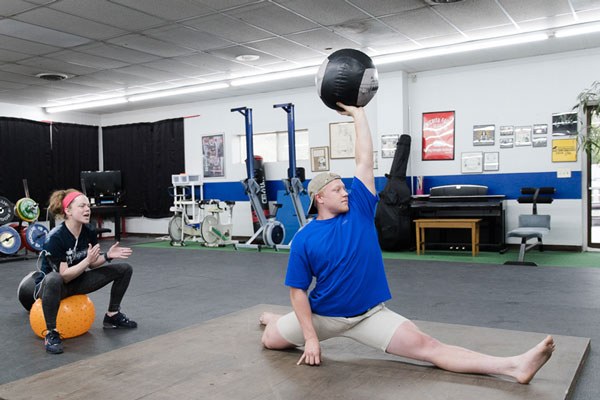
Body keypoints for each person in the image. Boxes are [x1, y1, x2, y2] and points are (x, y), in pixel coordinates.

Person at [260, 103, 555, 384]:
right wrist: (310, 337)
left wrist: (359, 115)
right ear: (319, 198)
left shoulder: (360, 209)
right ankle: (275, 320)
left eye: (344, 187)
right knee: (270, 340)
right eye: (337, 189)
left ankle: (515, 366)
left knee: (429, 347)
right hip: (324, 316)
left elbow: (364, 160)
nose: (345, 192)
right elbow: (297, 290)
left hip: (369, 315)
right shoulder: (305, 238)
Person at [35, 189, 137, 354]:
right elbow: (64, 276)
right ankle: (51, 333)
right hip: (53, 287)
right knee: (53, 278)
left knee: (125, 269)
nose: (87, 209)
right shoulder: (55, 238)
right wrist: (87, 261)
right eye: (81, 206)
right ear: (68, 211)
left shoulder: (88, 231)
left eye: (88, 206)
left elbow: (93, 264)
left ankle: (112, 315)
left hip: (77, 281)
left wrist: (108, 256)